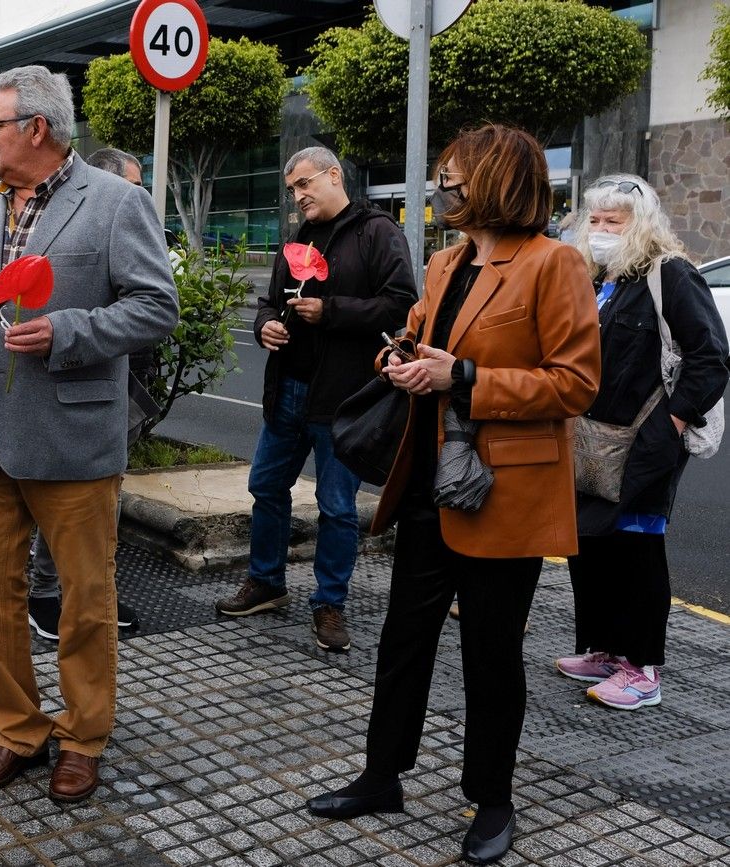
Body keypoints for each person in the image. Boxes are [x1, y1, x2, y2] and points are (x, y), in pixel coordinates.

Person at [305, 124, 601, 865]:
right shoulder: (443, 262)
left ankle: (492, 797)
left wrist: (463, 378)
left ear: (498, 181)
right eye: (441, 176)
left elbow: (576, 382)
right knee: (404, 638)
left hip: (505, 492)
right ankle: (383, 775)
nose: (441, 190)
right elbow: (411, 336)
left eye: (453, 178)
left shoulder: (553, 263)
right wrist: (398, 358)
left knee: (491, 654)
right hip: (429, 483)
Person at [0, 65, 178, 803]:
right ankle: (17, 728)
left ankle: (83, 734)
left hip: (72, 439)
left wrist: (69, 329)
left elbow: (155, 306)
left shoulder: (115, 202)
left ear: (36, 128)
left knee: (84, 595)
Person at [214, 145, 415, 652]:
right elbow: (269, 301)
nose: (298, 197)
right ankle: (267, 583)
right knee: (266, 487)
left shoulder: (377, 232)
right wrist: (265, 327)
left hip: (343, 399)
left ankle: (329, 603)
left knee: (337, 506)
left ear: (332, 175)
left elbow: (401, 305)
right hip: (288, 392)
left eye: (304, 184)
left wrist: (332, 312)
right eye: (291, 191)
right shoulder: (298, 239)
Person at [557, 174, 728, 710]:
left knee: (636, 547)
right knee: (591, 541)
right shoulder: (600, 279)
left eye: (616, 221)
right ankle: (605, 649)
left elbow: (710, 358)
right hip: (592, 437)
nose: (603, 229)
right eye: (598, 220)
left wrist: (673, 424)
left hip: (648, 438)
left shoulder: (670, 274)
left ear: (643, 225)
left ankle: (642, 668)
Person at [25, 146, 147, 641]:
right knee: (66, 510)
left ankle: (91, 597)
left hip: (110, 383)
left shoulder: (124, 215)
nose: (139, 196)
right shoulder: (87, 211)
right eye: (134, 185)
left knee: (101, 513)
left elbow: (153, 305)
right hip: (60, 393)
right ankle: (47, 595)